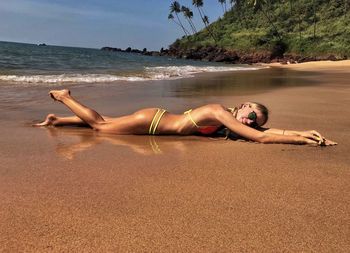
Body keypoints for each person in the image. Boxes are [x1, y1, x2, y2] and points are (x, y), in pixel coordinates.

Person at [34, 89, 337, 146]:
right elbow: (260, 137)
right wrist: (302, 141)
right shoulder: (219, 112)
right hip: (151, 123)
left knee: (108, 121)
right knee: (100, 126)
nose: (249, 122)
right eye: (251, 115)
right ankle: (64, 97)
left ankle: (56, 120)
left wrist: (303, 132)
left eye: (253, 121)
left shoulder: (226, 117)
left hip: (154, 119)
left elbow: (269, 131)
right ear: (243, 105)